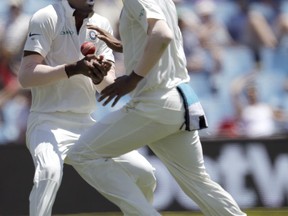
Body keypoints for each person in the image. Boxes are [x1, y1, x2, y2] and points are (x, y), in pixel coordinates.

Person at [68, 0, 247, 215]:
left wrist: (133, 79)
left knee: (81, 154)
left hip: (155, 102)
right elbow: (160, 39)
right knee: (199, 183)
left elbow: (162, 35)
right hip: (181, 99)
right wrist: (125, 45)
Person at [18, 0, 158, 215]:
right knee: (49, 172)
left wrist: (98, 75)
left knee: (145, 172)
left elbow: (106, 88)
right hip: (47, 121)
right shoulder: (46, 17)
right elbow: (26, 76)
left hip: (86, 124)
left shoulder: (101, 23)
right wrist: (74, 69)